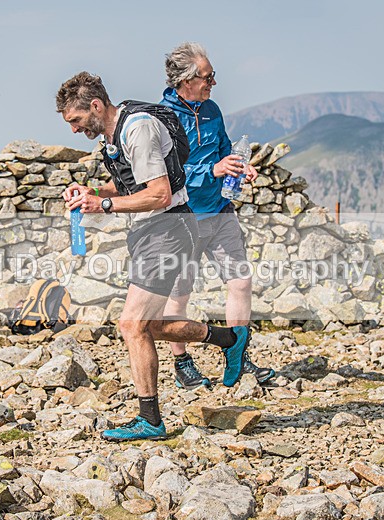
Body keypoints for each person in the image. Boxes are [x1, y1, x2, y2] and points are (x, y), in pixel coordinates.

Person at [56, 72, 252, 441]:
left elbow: (160, 194)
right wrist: (91, 189)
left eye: (76, 120)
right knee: (150, 326)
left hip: (167, 230)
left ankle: (151, 419)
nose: (74, 130)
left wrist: (103, 204)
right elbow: (134, 184)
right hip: (154, 232)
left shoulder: (138, 129)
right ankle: (230, 339)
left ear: (95, 105)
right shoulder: (115, 135)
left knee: (132, 325)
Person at [160, 42, 275, 390]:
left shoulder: (212, 109)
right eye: (208, 78)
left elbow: (225, 149)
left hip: (221, 210)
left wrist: (240, 167)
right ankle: (182, 363)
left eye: (213, 76)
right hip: (183, 216)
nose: (213, 83)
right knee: (179, 293)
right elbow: (169, 171)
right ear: (185, 80)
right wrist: (212, 169)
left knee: (240, 282)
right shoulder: (162, 118)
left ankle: (238, 356)